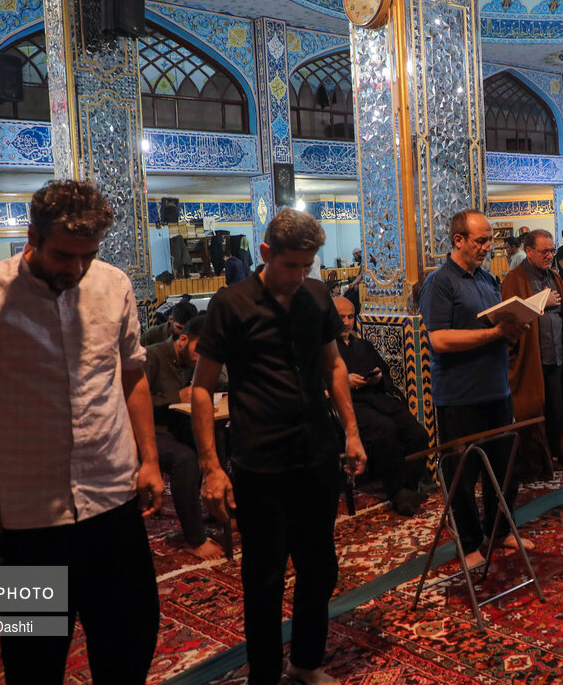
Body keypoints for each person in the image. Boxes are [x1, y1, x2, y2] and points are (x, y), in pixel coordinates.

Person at [0, 180, 162, 684]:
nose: (76, 269)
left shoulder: (114, 285)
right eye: (63, 255)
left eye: (88, 255)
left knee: (129, 641)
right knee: (35, 659)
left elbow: (133, 374)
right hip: (26, 518)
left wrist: (149, 458)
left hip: (111, 501)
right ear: (33, 237)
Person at [191, 208, 366, 685]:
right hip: (261, 460)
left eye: (307, 266)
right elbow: (202, 387)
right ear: (266, 253)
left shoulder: (316, 295)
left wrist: (351, 431)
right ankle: (264, 676)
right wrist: (211, 467)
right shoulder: (231, 304)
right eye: (290, 266)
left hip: (316, 452)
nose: (298, 276)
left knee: (319, 567)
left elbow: (333, 365)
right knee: (264, 578)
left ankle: (305, 662)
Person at [419, 209, 531, 569]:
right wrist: (495, 334)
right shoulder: (440, 283)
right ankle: (468, 543)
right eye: (481, 241)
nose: (487, 247)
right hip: (460, 395)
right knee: (462, 475)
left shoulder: (486, 279)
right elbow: (439, 340)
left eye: (489, 240)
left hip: (496, 389)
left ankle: (498, 530)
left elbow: (494, 326)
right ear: (459, 240)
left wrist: (513, 327)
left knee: (504, 470)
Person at [332, 296, 429, 516]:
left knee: (417, 433)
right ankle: (397, 492)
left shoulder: (364, 345)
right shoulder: (324, 349)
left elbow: (385, 375)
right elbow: (319, 384)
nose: (346, 322)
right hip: (350, 404)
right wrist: (344, 381)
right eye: (341, 317)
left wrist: (377, 378)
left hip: (377, 399)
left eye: (350, 317)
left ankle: (408, 487)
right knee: (384, 429)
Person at [503, 229, 563, 481]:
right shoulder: (515, 279)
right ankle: (535, 464)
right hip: (531, 361)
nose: (550, 256)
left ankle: (554, 456)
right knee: (533, 413)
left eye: (552, 251)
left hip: (556, 357)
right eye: (544, 251)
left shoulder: (553, 277)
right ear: (529, 252)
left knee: (557, 411)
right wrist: (541, 303)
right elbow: (510, 319)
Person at [143, 313, 222, 560]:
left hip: (182, 427)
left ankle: (222, 513)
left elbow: (219, 383)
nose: (203, 355)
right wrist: (176, 397)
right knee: (185, 459)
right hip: (153, 432)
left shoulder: (195, 362)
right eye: (201, 348)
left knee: (221, 441)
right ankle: (195, 538)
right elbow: (134, 400)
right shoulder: (153, 355)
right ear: (184, 339)